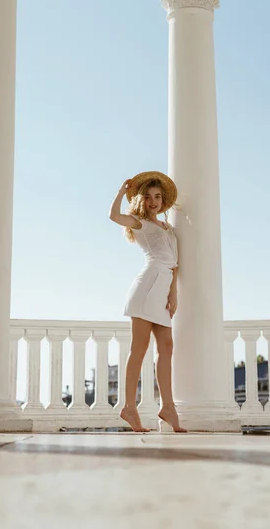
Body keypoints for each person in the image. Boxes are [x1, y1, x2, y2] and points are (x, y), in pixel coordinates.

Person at [109, 171, 187, 433]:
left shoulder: (169, 229)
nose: (154, 201)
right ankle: (129, 407)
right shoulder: (140, 223)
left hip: (163, 289)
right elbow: (114, 216)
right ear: (141, 200)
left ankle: (168, 407)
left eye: (158, 196)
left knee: (166, 347)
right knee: (138, 350)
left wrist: (173, 294)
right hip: (146, 288)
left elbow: (174, 265)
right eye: (149, 197)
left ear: (163, 200)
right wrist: (122, 192)